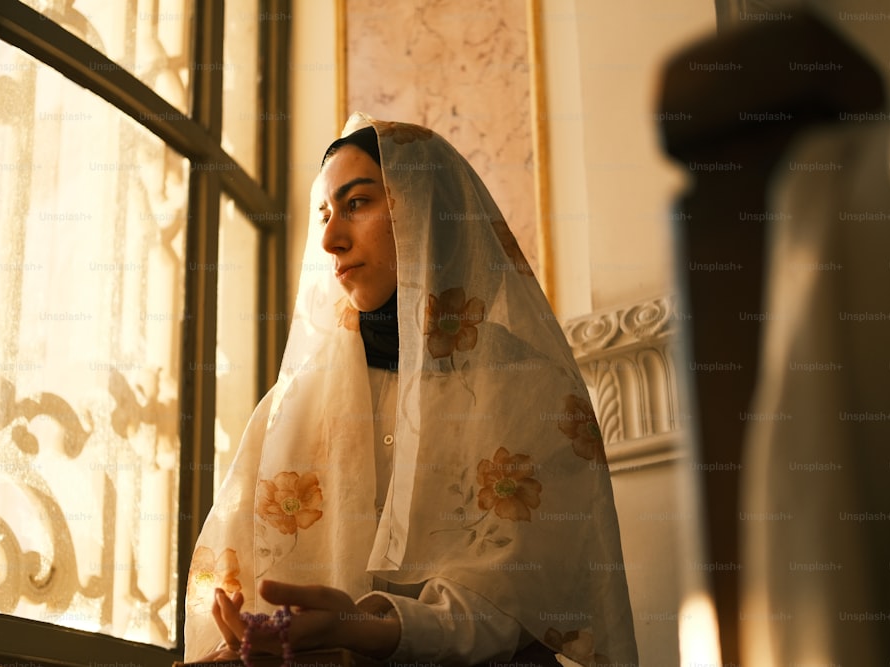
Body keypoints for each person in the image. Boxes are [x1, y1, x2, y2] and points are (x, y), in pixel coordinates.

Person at [183, 113, 638, 665]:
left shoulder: (527, 388)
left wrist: (368, 630)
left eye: (357, 203)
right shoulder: (289, 405)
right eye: (324, 213)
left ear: (430, 212)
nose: (330, 239)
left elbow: (521, 601)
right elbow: (236, 586)